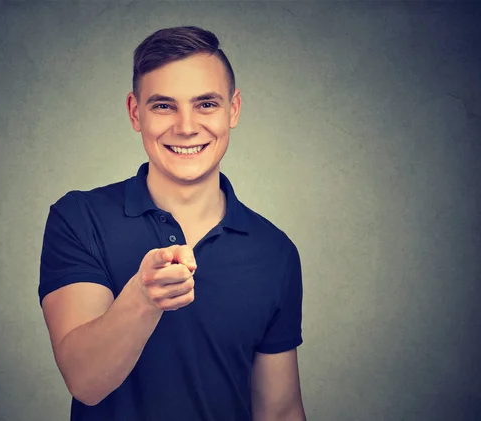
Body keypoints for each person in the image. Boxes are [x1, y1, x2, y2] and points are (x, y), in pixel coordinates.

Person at [38, 26, 306, 421]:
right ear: (135, 112)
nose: (185, 127)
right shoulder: (79, 218)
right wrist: (143, 300)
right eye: (164, 106)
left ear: (233, 110)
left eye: (206, 105)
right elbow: (85, 381)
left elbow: (280, 411)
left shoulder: (275, 251)